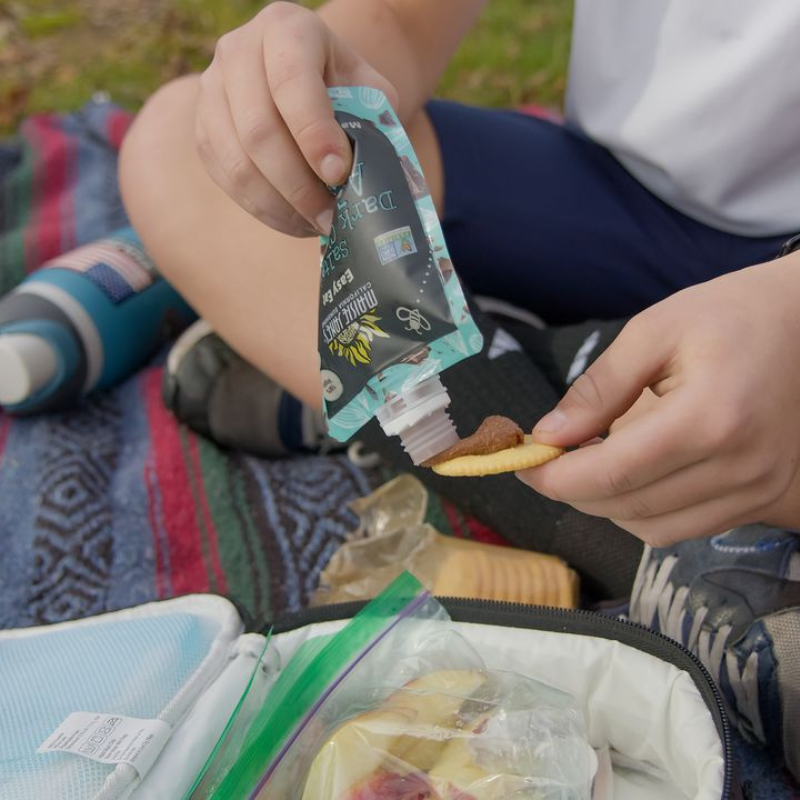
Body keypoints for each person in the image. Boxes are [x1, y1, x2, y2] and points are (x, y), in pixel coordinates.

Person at [119, 1, 800, 776]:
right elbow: (397, 25)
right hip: (615, 198)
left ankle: (500, 370)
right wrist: (307, 85)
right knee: (180, 137)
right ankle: (652, 508)